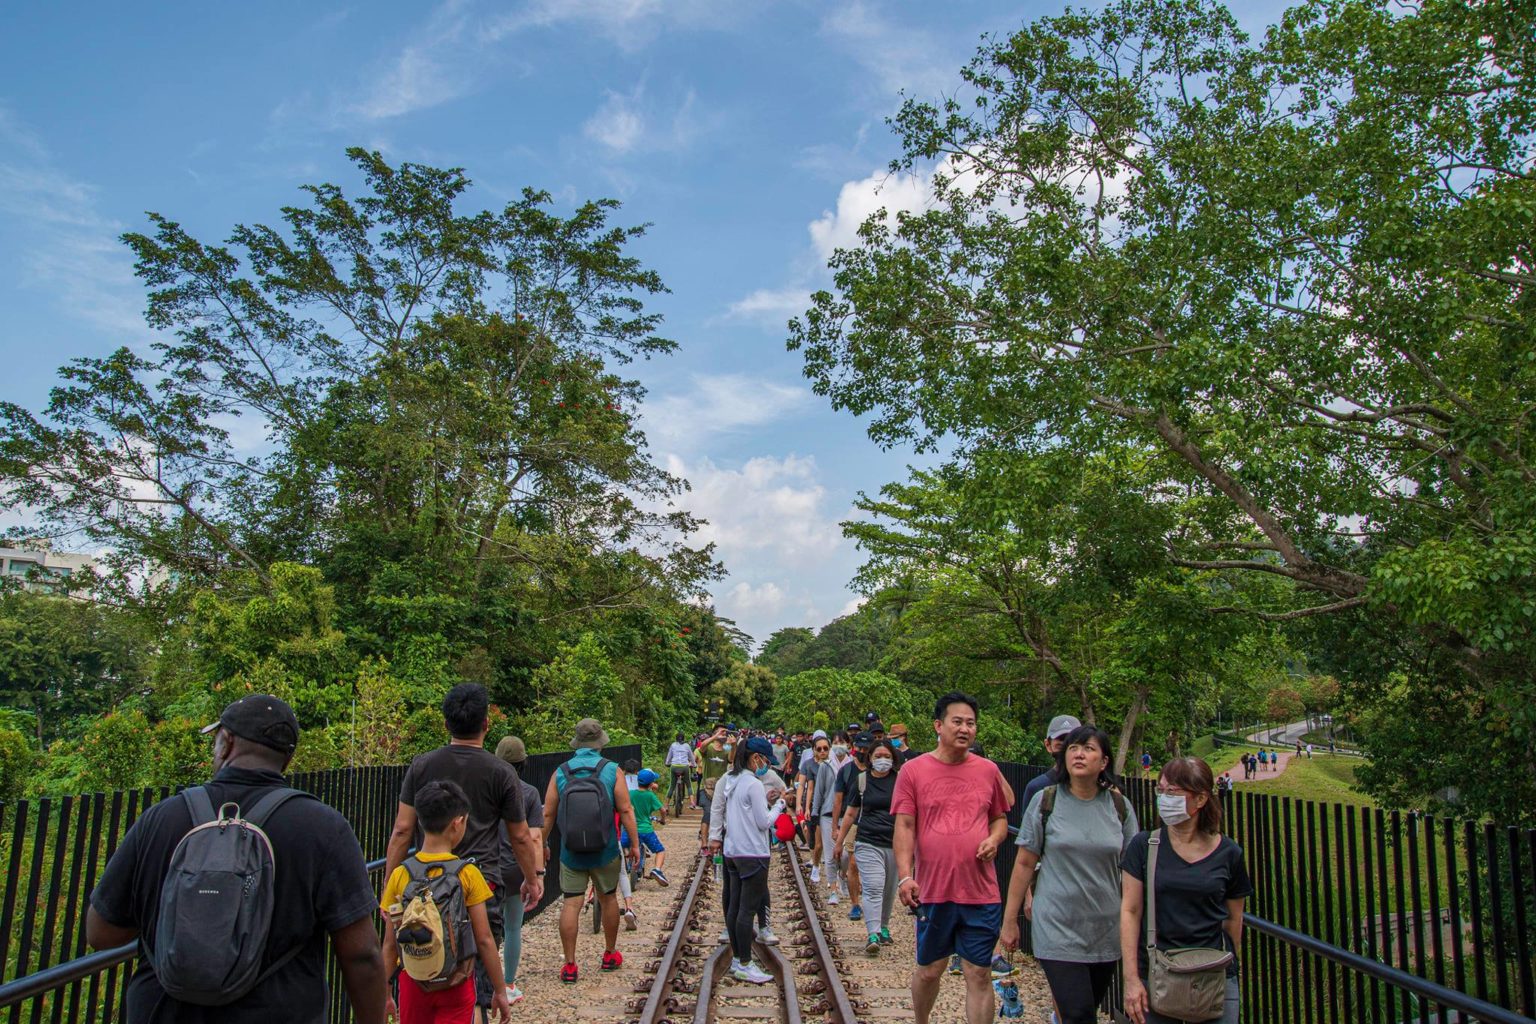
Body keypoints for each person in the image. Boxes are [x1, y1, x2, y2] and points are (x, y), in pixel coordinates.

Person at [85, 694, 389, 1024]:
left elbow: (101, 933)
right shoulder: (322, 827)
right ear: (287, 759)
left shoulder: (162, 818)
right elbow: (362, 955)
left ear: (226, 743)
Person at [386, 684, 543, 1016]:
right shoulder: (501, 772)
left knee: (425, 964)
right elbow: (519, 837)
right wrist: (532, 877)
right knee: (476, 976)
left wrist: (391, 891)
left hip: (424, 887)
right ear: (486, 723)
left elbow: (402, 830)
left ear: (446, 725)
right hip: (481, 885)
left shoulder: (421, 766)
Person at [1000, 725, 1137, 1024]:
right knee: (1078, 1014)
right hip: (1057, 926)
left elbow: (1132, 870)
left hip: (1104, 928)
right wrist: (1010, 920)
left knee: (1083, 1009)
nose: (1079, 753)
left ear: (1103, 761)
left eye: (1088, 748)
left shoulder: (1119, 807)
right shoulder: (1046, 801)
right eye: (1074, 747)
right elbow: (1024, 863)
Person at [893, 692, 1012, 1024]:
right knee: (930, 970)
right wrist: (905, 875)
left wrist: (995, 837)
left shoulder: (988, 771)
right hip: (933, 890)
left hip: (980, 892)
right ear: (938, 725)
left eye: (971, 723)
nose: (965, 729)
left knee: (979, 972)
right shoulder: (913, 771)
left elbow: (999, 817)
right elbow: (904, 825)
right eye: (957, 721)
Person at [1120, 758, 1253, 1024]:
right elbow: (1130, 911)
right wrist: (1131, 978)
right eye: (1161, 791)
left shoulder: (1229, 853)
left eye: (1173, 792)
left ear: (1201, 799)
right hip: (1157, 972)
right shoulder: (1144, 846)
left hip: (1213, 974)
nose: (1164, 798)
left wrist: (1231, 965)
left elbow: (1233, 920)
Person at [381, 780, 511, 1024]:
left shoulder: (401, 874)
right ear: (458, 822)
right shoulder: (467, 874)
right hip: (457, 980)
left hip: (413, 980)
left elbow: (390, 944)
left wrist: (385, 992)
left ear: (419, 820)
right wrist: (500, 990)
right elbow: (484, 939)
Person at [543, 718, 641, 984]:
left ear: (577, 742)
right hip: (605, 849)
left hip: (571, 852)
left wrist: (541, 845)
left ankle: (570, 965)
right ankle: (609, 954)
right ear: (600, 742)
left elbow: (548, 813)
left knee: (571, 903)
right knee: (608, 898)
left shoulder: (561, 771)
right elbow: (626, 810)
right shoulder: (612, 770)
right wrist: (633, 844)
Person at [719, 736, 784, 984]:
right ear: (755, 758)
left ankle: (737, 959)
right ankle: (745, 963)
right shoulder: (754, 784)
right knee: (747, 910)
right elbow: (763, 822)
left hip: (733, 852)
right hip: (754, 853)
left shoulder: (732, 781)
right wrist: (778, 805)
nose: (767, 766)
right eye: (766, 760)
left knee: (735, 907)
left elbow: (744, 811)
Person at [834, 738, 900, 955]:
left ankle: (883, 927)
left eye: (887, 756)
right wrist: (839, 840)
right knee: (873, 886)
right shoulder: (861, 781)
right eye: (878, 756)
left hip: (894, 843)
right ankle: (872, 933)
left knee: (889, 889)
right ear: (870, 759)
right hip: (868, 841)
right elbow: (851, 813)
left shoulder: (900, 781)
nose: (883, 760)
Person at [492, 735, 545, 1007]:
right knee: (513, 927)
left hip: (487, 868)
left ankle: (486, 981)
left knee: (485, 927)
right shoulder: (529, 793)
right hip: (515, 869)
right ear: (523, 762)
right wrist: (536, 875)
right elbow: (533, 837)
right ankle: (509, 983)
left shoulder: (485, 789)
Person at [832, 733, 872, 921]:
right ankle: (855, 904)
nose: (863, 752)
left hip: (872, 822)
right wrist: (835, 827)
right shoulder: (846, 771)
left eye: (866, 749)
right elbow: (838, 801)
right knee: (853, 863)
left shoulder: (876, 771)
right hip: (852, 822)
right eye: (860, 748)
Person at [1020, 715, 1083, 816]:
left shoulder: (1097, 788)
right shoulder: (1038, 788)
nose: (1068, 747)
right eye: (1061, 742)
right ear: (1048, 745)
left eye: (1073, 740)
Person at [632, 768, 670, 884]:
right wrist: (663, 820)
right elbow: (663, 810)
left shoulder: (631, 794)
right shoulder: (650, 795)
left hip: (631, 829)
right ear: (651, 784)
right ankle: (657, 870)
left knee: (628, 847)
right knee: (660, 850)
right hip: (646, 830)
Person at [665, 732, 694, 813]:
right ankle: (692, 803)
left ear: (676, 738)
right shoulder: (687, 746)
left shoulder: (673, 745)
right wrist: (694, 765)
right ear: (683, 738)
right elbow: (691, 757)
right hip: (684, 767)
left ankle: (666, 806)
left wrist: (667, 763)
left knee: (672, 786)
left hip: (674, 767)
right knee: (688, 784)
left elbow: (669, 756)